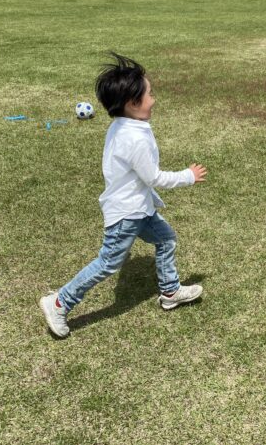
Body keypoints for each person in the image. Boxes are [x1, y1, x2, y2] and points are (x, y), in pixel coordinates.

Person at [40, 53, 208, 337]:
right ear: (132, 104)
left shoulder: (123, 125)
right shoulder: (135, 138)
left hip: (140, 209)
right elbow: (154, 177)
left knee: (166, 239)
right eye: (150, 94)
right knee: (108, 263)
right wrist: (188, 176)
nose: (154, 100)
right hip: (127, 213)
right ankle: (59, 302)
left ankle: (170, 292)